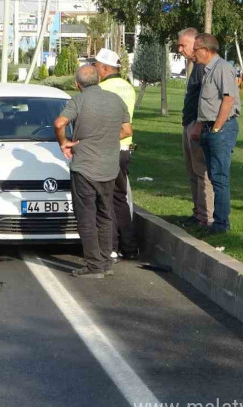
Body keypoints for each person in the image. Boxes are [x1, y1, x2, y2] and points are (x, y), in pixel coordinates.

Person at [54, 65, 132, 278]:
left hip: (85, 167)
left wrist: (64, 143)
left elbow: (59, 122)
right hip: (109, 167)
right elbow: (127, 130)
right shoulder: (116, 100)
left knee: (86, 216)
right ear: (98, 79)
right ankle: (106, 262)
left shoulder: (78, 100)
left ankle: (94, 265)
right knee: (105, 213)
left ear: (77, 84)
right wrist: (105, 138)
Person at [193, 33, 241, 234]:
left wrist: (216, 128)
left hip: (220, 129)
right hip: (209, 127)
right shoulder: (207, 70)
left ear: (206, 50)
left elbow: (228, 100)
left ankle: (222, 224)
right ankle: (216, 220)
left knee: (220, 177)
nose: (193, 54)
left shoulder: (222, 68)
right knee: (214, 176)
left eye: (195, 49)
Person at [94, 48, 138, 261]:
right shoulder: (128, 88)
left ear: (104, 68)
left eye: (96, 66)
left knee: (105, 199)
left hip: (107, 148)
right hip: (125, 148)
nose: (94, 70)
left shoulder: (101, 88)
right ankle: (129, 247)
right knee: (120, 198)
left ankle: (111, 246)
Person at [176, 27, 214, 228]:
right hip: (188, 123)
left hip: (196, 125)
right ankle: (198, 212)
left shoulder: (203, 67)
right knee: (192, 172)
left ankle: (206, 217)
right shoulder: (195, 66)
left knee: (201, 172)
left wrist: (197, 125)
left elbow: (205, 99)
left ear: (196, 43)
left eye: (184, 45)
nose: (180, 49)